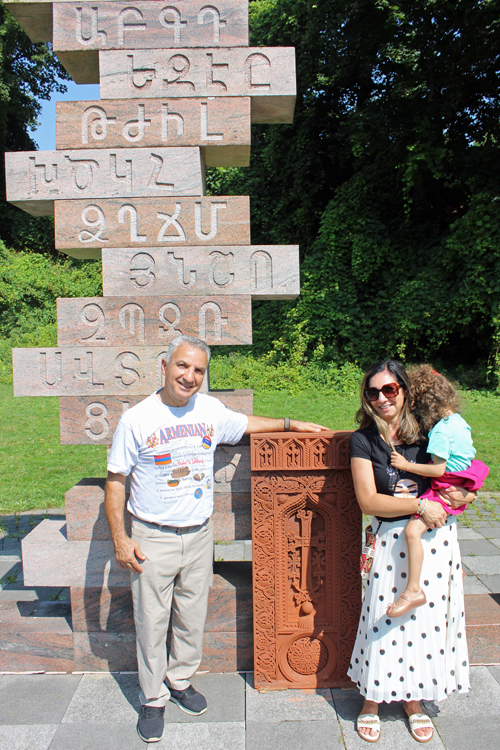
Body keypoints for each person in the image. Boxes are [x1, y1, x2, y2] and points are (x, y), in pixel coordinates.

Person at [105, 334, 328, 743]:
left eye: (198, 370)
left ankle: (181, 680)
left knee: (192, 617)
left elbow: (245, 425)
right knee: (152, 623)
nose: (189, 376)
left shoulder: (209, 410)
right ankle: (152, 699)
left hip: (200, 534)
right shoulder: (137, 419)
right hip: (152, 537)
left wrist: (289, 424)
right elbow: (116, 481)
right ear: (164, 366)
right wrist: (121, 538)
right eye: (182, 366)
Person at [348, 359, 472, 744]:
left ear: (404, 390)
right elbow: (369, 500)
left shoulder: (429, 435)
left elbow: (463, 473)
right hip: (391, 539)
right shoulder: (363, 440)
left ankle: (414, 700)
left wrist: (464, 494)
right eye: (373, 391)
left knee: (425, 624)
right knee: (382, 618)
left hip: (435, 542)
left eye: (390, 389)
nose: (382, 398)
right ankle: (371, 699)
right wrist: (419, 506)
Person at [387, 365, 488, 617]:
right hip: (461, 481)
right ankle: (458, 563)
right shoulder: (458, 421)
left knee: (412, 531)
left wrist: (407, 465)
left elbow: (440, 469)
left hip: (445, 484)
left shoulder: (441, 431)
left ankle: (412, 590)